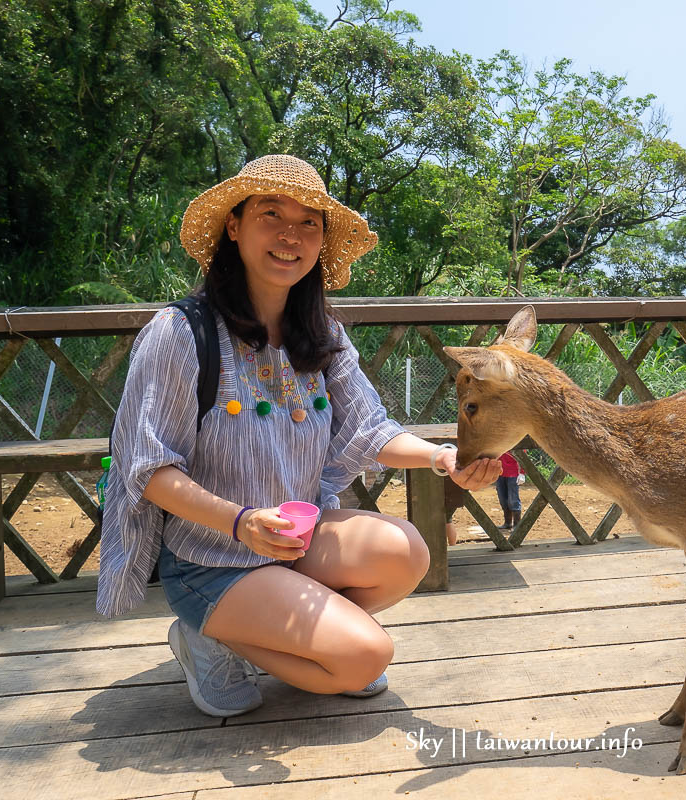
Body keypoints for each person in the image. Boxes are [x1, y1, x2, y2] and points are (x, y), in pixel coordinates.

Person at [96, 154, 501, 718]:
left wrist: (443, 458)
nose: (291, 235)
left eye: (309, 221)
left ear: (321, 242)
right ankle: (208, 637)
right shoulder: (180, 333)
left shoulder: (321, 334)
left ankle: (287, 630)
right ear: (234, 227)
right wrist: (241, 522)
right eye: (270, 214)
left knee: (408, 551)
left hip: (293, 544)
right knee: (366, 658)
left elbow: (369, 428)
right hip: (211, 557)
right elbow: (148, 470)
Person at [496, 452, 524, 530]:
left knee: (513, 500)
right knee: (502, 499)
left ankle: (517, 525)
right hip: (500, 472)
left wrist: (522, 473)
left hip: (513, 472)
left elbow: (523, 455)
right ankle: (507, 523)